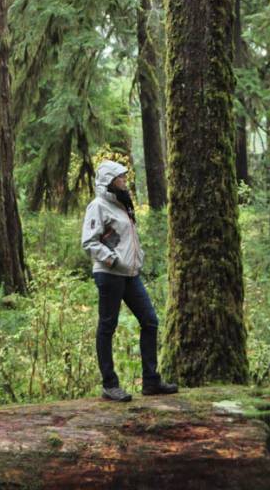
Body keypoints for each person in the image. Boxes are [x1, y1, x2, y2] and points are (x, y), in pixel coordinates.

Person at [81, 159, 178, 402]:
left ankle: (150, 380)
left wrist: (137, 259)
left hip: (130, 275)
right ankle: (110, 385)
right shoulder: (98, 206)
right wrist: (112, 260)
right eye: (120, 177)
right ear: (109, 181)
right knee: (107, 326)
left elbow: (127, 239)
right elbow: (89, 242)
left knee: (150, 321)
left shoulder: (123, 204)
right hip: (109, 274)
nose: (125, 180)